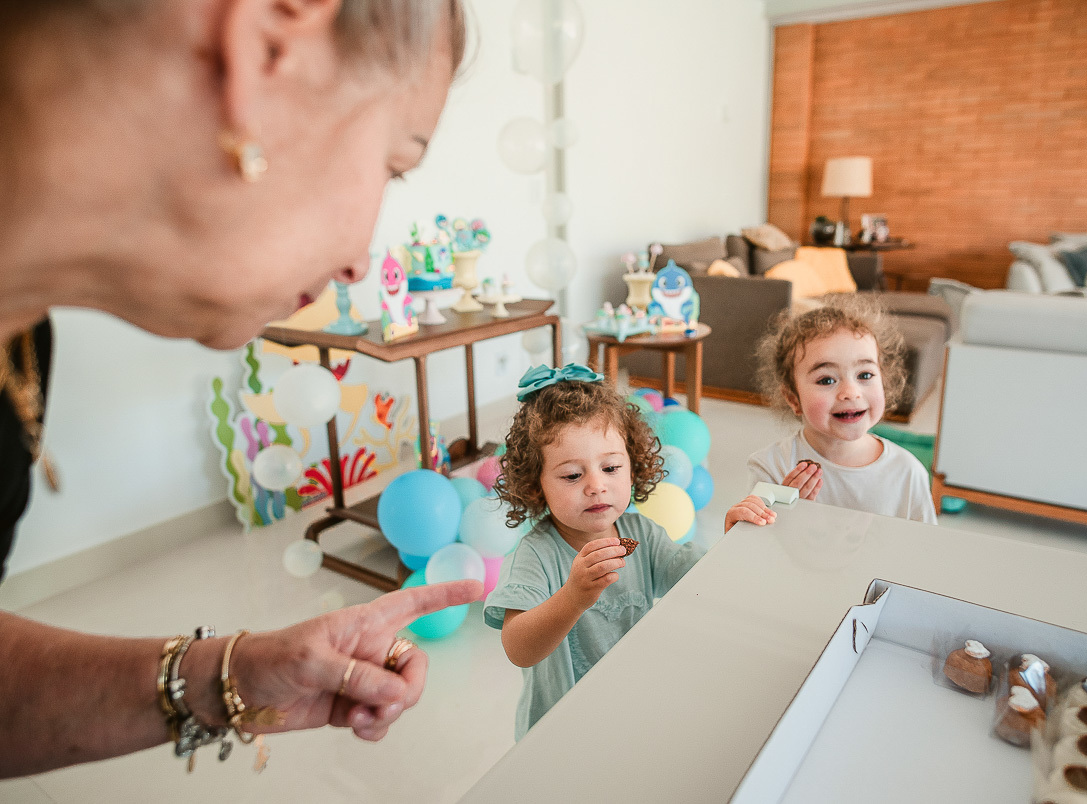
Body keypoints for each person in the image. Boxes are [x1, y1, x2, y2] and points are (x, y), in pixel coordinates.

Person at [0, 0, 482, 778]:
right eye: (392, 164)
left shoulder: (21, 348)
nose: (362, 261)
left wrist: (228, 678)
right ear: (264, 49)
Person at [484, 364, 704, 739]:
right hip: (559, 732)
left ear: (633, 467)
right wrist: (573, 597)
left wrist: (737, 536)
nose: (597, 486)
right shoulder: (536, 555)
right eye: (572, 475)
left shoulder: (642, 535)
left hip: (630, 714)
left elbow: (698, 580)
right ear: (536, 486)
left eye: (611, 467)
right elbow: (518, 648)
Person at [725, 294, 937, 533]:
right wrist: (772, 521)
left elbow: (925, 552)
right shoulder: (771, 467)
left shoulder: (907, 473)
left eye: (864, 375)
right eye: (827, 379)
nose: (850, 392)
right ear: (794, 399)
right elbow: (757, 553)